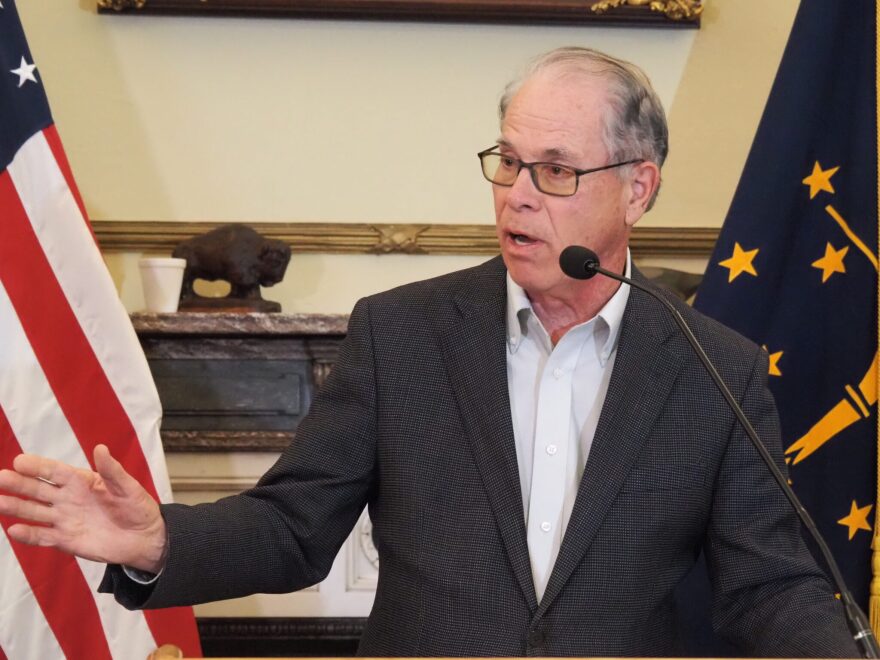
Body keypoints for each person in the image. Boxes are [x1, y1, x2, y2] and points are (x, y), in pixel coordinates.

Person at [0, 47, 858, 657]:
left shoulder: (714, 365)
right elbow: (294, 527)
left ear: (637, 187)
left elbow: (768, 584)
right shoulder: (401, 333)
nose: (518, 197)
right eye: (509, 163)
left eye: (556, 171)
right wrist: (159, 541)